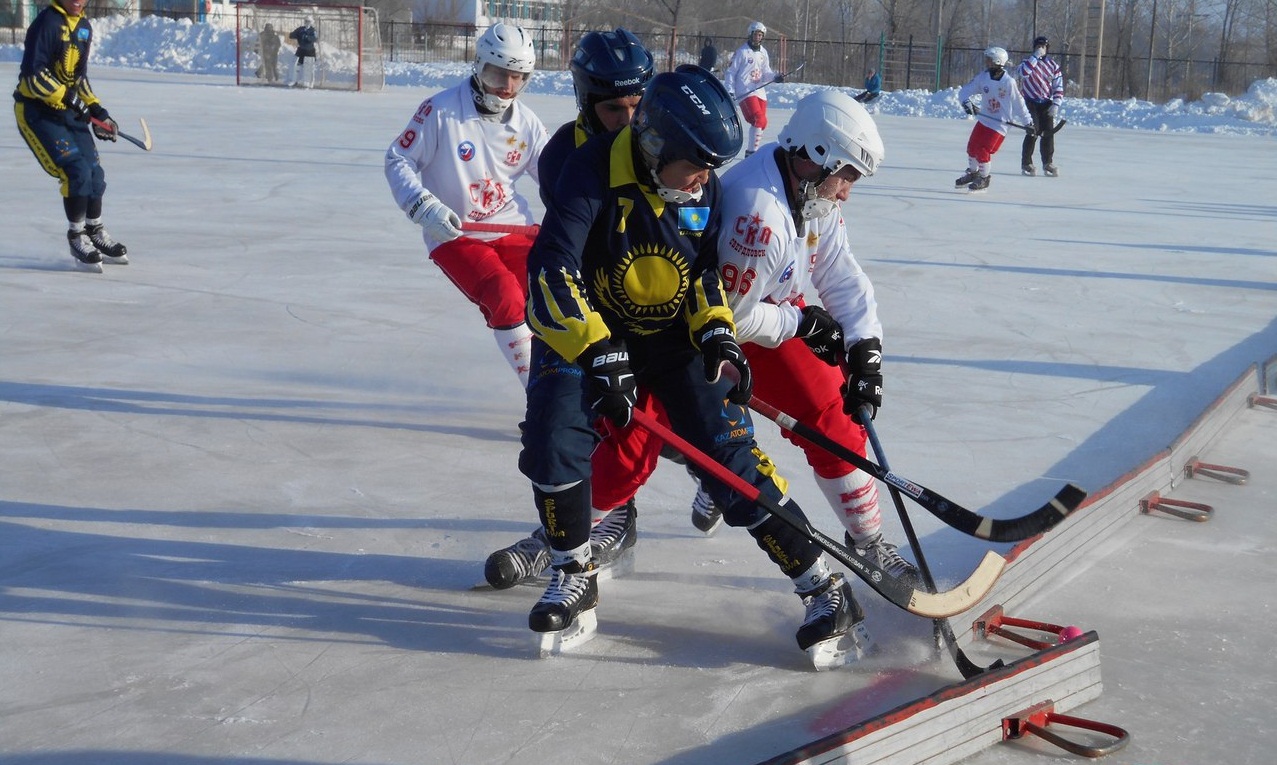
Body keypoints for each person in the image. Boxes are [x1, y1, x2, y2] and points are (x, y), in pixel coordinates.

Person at [519, 65, 871, 668]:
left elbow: (704, 277)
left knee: (729, 456)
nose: (708, 180)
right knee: (555, 437)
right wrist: (599, 349)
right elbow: (551, 274)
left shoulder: (699, 186)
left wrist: (717, 334)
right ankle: (573, 573)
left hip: (669, 339)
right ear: (655, 146)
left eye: (712, 166)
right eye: (698, 165)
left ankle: (824, 588)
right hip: (584, 331)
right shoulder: (590, 170)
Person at [716, 89, 920, 588]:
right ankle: (573, 537)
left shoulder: (810, 194)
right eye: (847, 176)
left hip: (773, 315)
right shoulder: (756, 215)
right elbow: (731, 319)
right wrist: (803, 325)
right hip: (710, 335)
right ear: (817, 156)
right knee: (635, 447)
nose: (847, 190)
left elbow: (838, 272)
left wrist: (864, 350)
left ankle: (869, 542)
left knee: (836, 418)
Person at [483, 28, 656, 590]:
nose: (628, 121)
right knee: (555, 434)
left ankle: (614, 514)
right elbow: (577, 251)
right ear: (586, 101)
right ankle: (568, 546)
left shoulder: (662, 144)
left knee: (656, 442)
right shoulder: (564, 155)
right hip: (580, 314)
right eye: (614, 108)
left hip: (650, 315)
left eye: (638, 106)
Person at [384, 22, 547, 390]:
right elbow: (398, 160)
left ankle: (567, 398)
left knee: (551, 296)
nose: (506, 88)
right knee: (504, 297)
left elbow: (554, 177)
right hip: (455, 234)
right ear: (478, 65)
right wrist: (422, 204)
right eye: (496, 74)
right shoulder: (439, 111)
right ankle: (539, 395)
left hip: (514, 228)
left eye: (517, 78)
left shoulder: (527, 123)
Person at [13, 0, 128, 273]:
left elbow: (79, 79)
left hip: (68, 111)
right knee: (75, 170)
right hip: (37, 111)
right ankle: (76, 236)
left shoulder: (85, 28)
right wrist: (69, 98)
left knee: (94, 173)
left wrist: (99, 111)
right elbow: (33, 77)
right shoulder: (47, 23)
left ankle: (94, 230)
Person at [955, 46, 1031, 191]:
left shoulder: (1008, 82)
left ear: (997, 61)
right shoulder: (983, 77)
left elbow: (1018, 103)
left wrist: (1028, 121)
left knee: (983, 150)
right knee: (972, 147)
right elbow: (965, 91)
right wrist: (966, 102)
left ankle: (984, 178)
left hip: (999, 124)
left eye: (989, 60)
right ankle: (973, 173)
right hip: (984, 120)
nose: (986, 62)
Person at [723, 21, 783, 158]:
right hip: (745, 91)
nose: (758, 37)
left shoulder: (763, 52)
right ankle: (751, 153)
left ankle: (751, 151)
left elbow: (766, 72)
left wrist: (775, 77)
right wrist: (730, 90)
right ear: (750, 34)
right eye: (756, 34)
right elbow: (730, 72)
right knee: (759, 119)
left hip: (759, 91)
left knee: (763, 122)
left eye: (760, 35)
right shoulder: (742, 52)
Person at [1018, 35, 1064, 177]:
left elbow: (1058, 86)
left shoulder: (1053, 66)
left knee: (1048, 133)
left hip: (1045, 103)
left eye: (1043, 47)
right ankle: (1027, 162)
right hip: (1030, 102)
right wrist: (1035, 57)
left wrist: (1056, 103)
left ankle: (1048, 162)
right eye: (1038, 47)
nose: (1041, 49)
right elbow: (1023, 74)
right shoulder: (1027, 62)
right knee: (1033, 131)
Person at [288, 16, 318, 88]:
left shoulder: (313, 30)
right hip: (301, 49)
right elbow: (292, 35)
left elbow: (315, 38)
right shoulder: (301, 29)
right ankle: (294, 80)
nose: (307, 23)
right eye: (306, 21)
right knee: (296, 65)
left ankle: (309, 82)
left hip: (309, 50)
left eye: (309, 21)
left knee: (309, 67)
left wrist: (307, 37)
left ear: (311, 22)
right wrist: (296, 34)